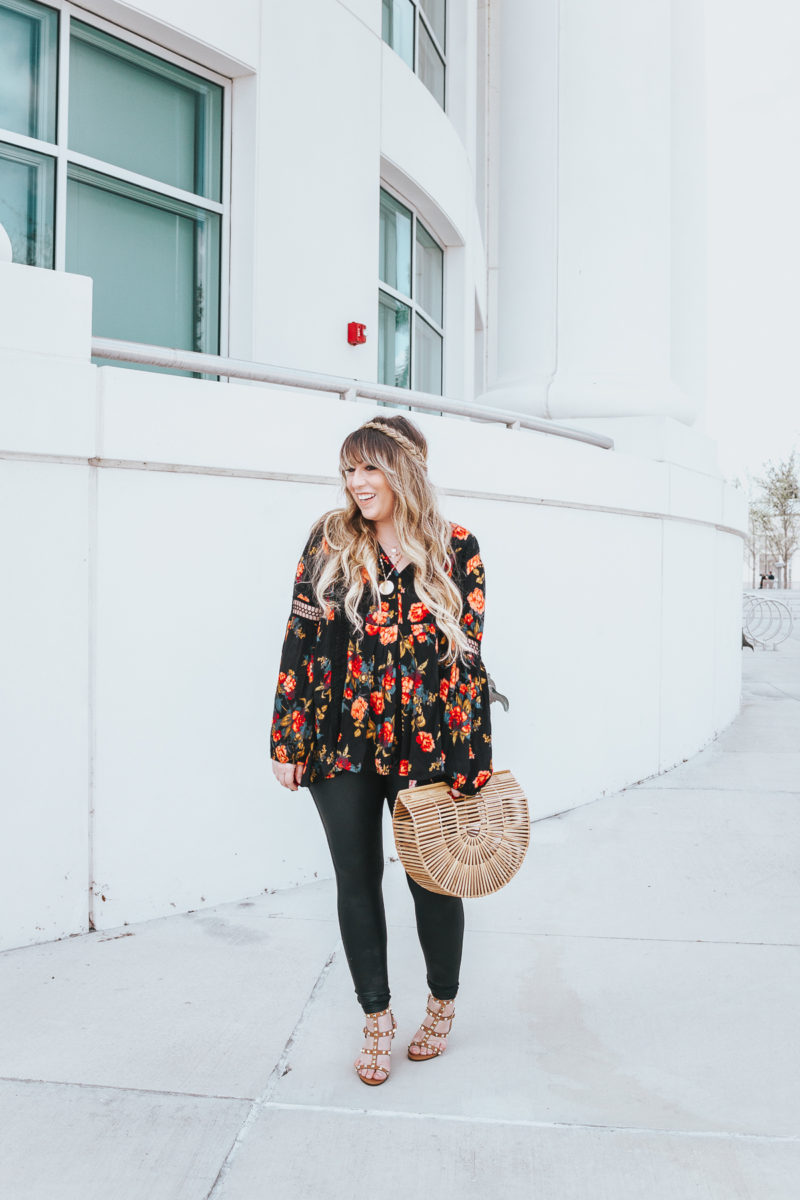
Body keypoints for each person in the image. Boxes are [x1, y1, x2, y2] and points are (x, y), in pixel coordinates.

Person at [270, 415, 492, 1085]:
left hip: (426, 748)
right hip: (339, 741)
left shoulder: (457, 548)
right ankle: (376, 1017)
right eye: (349, 469)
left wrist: (470, 762)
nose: (356, 483)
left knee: (431, 879)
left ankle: (442, 1005)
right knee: (356, 877)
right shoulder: (329, 540)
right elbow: (299, 641)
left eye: (369, 468)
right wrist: (286, 737)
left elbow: (468, 664)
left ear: (405, 470)